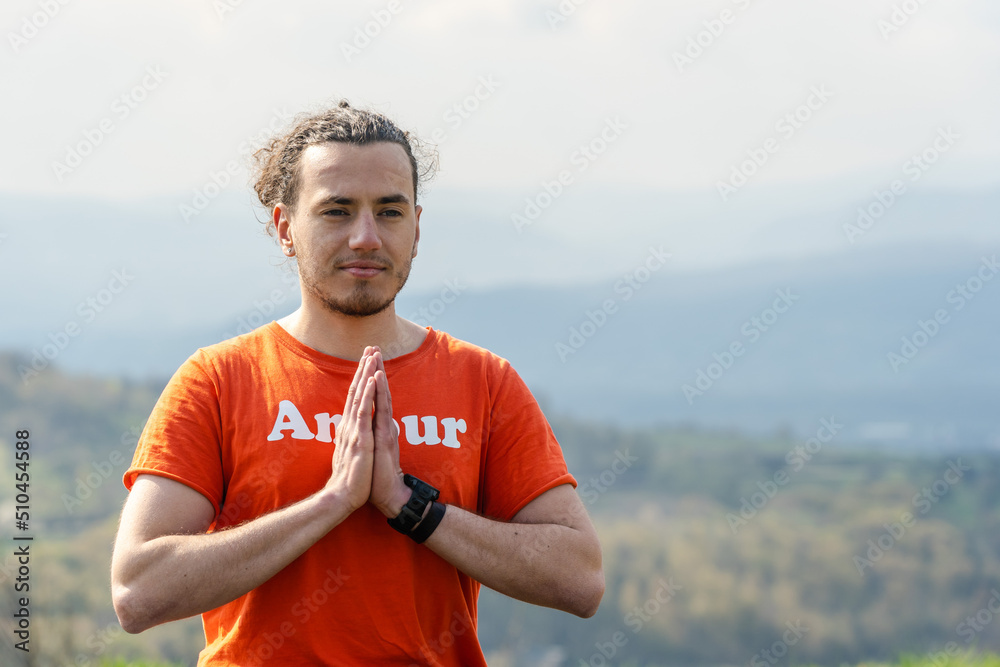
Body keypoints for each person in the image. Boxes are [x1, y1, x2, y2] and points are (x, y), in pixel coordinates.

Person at [110, 100, 604, 666]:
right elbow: (138, 592)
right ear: (284, 228)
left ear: (417, 228)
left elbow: (580, 578)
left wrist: (408, 506)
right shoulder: (220, 380)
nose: (366, 237)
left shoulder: (483, 381)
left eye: (389, 212)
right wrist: (333, 502)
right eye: (337, 211)